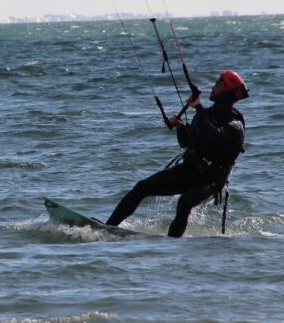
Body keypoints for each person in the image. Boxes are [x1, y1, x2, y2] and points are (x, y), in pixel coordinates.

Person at [106, 70, 248, 237]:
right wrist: (181, 128)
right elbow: (186, 143)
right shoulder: (207, 114)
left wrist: (198, 108)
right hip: (191, 170)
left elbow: (214, 135)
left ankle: (171, 243)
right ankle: (108, 228)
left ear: (227, 91)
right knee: (142, 187)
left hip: (212, 178)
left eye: (218, 84)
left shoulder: (235, 124)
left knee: (185, 202)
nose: (213, 87)